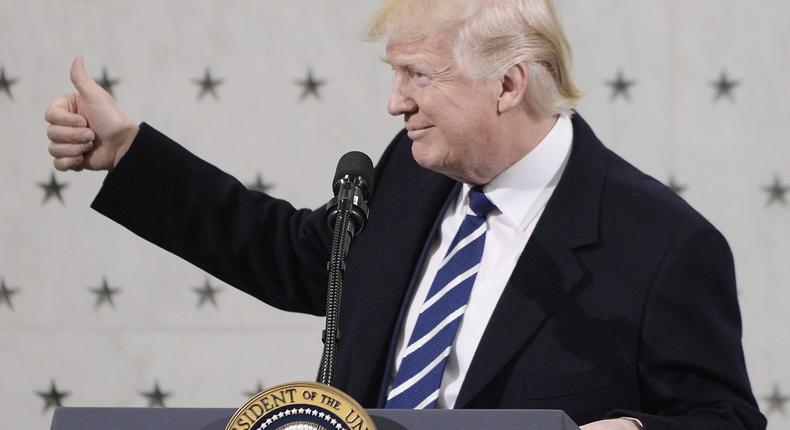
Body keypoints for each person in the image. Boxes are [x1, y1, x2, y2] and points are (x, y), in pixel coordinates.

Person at [44, 0, 766, 429]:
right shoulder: (409, 174)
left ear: (509, 83)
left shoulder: (664, 245)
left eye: (417, 74)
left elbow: (725, 421)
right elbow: (299, 257)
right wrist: (129, 153)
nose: (396, 101)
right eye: (395, 74)